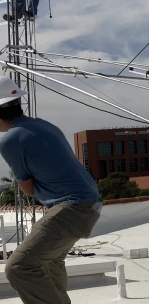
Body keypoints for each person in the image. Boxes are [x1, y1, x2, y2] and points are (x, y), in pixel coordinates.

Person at [0, 76, 102, 304]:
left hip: (72, 207)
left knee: (18, 267)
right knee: (47, 262)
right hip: (88, 204)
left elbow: (28, 190)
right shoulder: (44, 125)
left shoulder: (10, 140)